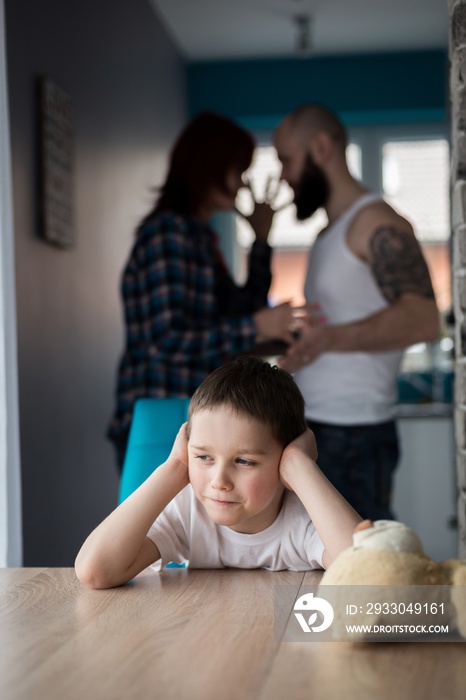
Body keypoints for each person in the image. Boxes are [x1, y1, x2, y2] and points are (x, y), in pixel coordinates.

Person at [273, 103, 440, 521]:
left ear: (321, 147)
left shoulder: (377, 223)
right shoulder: (329, 233)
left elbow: (424, 319)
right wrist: (307, 351)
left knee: (361, 571)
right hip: (317, 424)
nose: (283, 175)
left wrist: (328, 339)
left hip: (355, 435)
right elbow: (341, 325)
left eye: (286, 159)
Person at [107, 112, 297, 471]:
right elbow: (164, 341)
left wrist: (260, 240)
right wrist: (257, 326)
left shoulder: (197, 238)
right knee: (160, 528)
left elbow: (241, 312)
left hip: (189, 416)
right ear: (210, 168)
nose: (242, 185)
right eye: (238, 171)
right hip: (162, 420)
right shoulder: (169, 235)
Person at [76, 356, 362, 588]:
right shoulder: (187, 512)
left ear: (284, 458)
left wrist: (300, 467)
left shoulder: (306, 519)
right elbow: (94, 572)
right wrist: (174, 468)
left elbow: (372, 581)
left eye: (244, 462)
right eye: (203, 456)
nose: (219, 482)